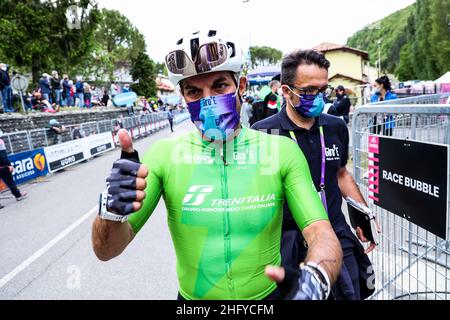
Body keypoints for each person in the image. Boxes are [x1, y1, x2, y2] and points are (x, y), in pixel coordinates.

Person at [92, 30, 343, 301]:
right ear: (182, 96)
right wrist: (111, 212)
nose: (208, 100)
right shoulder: (164, 154)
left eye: (220, 85)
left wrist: (316, 277)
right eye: (193, 91)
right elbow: (106, 251)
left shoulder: (281, 150)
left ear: (241, 85)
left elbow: (321, 232)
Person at [252, 49, 377, 300]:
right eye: (309, 91)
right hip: (286, 243)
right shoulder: (262, 134)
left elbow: (340, 174)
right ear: (286, 91)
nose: (318, 97)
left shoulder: (335, 126)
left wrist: (363, 215)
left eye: (323, 90)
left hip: (336, 238)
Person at [0, 131, 28, 202]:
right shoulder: (0, 142)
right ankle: (18, 195)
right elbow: (3, 156)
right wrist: (9, 166)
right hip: (2, 167)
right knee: (10, 181)